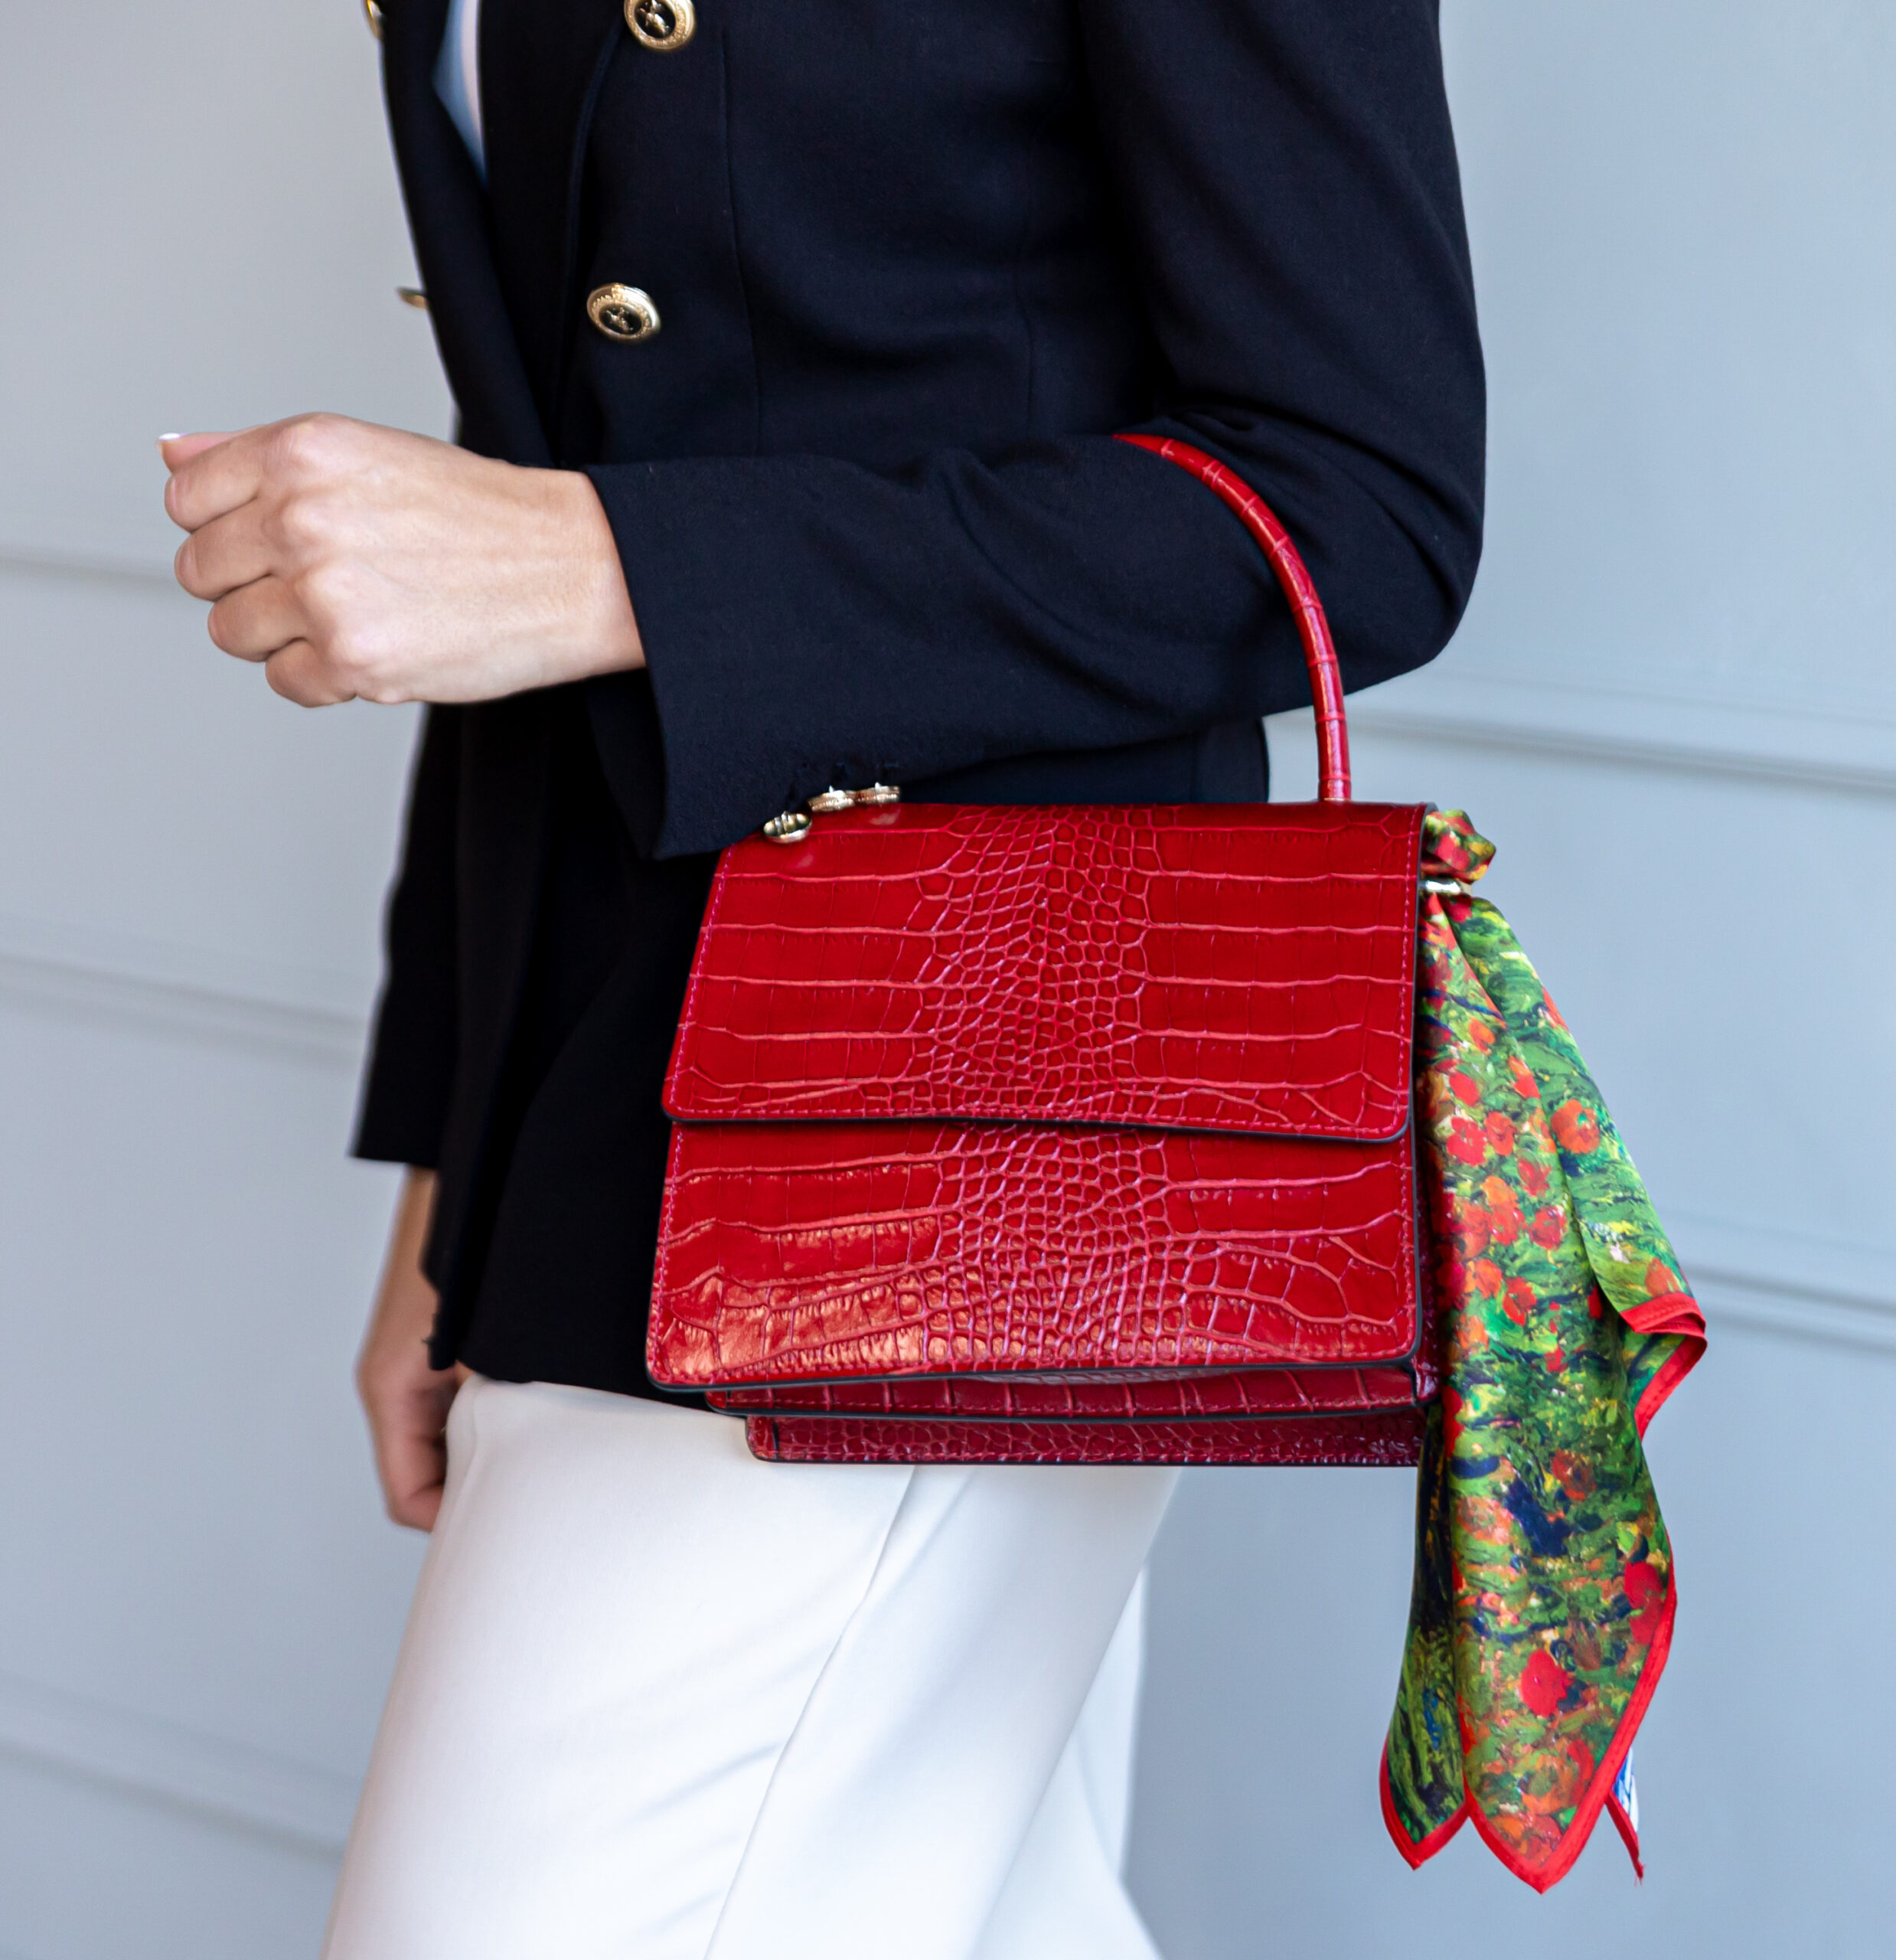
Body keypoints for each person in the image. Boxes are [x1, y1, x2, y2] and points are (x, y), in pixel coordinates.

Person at [162, 0, 1483, 1952]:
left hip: (952, 1123)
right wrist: (458, 1163)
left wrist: (614, 563)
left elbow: (1361, 500)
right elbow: (542, 477)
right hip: (594, 1094)